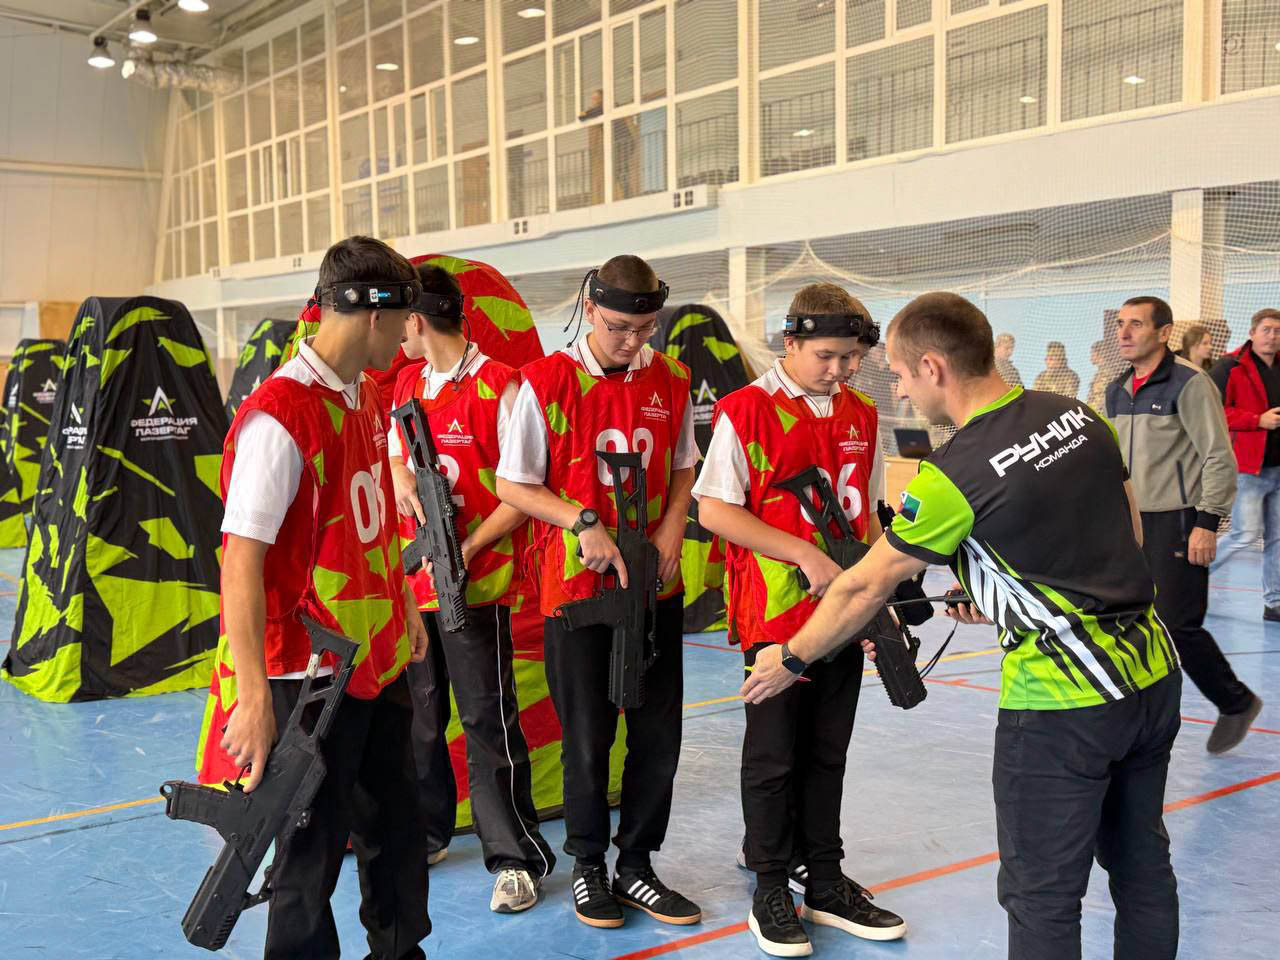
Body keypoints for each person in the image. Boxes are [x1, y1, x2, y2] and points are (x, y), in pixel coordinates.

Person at [742, 291, 1182, 960]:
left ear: (933, 367)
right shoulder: (1078, 416)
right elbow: (1127, 530)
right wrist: (1005, 593)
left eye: (899, 372)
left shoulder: (952, 475)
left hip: (1063, 700)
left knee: (1042, 895)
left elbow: (863, 584)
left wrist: (792, 657)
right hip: (1152, 675)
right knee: (1142, 866)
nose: (897, 387)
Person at [218, 236, 432, 959]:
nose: (408, 336)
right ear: (373, 316)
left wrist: (403, 605)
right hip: (308, 678)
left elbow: (369, 527)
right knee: (308, 860)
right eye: (403, 320)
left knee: (397, 832)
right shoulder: (280, 417)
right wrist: (253, 697)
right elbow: (241, 563)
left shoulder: (365, 396)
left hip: (376, 658)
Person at [694, 283, 907, 957]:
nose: (841, 369)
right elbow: (714, 509)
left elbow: (869, 515)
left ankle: (824, 879)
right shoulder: (744, 409)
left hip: (844, 611)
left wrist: (879, 603)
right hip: (774, 613)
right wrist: (802, 553)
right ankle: (768, 885)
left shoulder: (862, 412)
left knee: (827, 751)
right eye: (827, 356)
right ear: (791, 343)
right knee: (772, 755)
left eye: (852, 358)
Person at [495, 256, 702, 929]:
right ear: (589, 310)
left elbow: (683, 466)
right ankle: (587, 865)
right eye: (619, 328)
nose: (632, 341)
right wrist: (582, 520)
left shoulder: (672, 378)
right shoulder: (545, 382)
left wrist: (673, 525)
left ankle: (636, 866)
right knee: (587, 738)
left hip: (652, 586)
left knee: (658, 736)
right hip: (578, 592)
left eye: (645, 329)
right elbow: (512, 484)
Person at [389, 263, 557, 914]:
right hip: (418, 583)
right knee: (422, 713)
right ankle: (429, 832)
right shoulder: (408, 382)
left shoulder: (503, 387)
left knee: (487, 720)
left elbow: (524, 493)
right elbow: (395, 450)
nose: (395, 333)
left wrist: (466, 548)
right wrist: (402, 476)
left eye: (400, 320)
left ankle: (516, 858)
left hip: (476, 584)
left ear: (417, 320)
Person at [1107, 295, 1261, 754]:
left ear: (1164, 332)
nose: (1124, 332)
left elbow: (1218, 456)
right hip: (1128, 523)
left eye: (1136, 324)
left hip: (1178, 521)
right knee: (1129, 623)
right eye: (1121, 324)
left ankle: (1235, 702)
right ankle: (1138, 720)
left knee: (1176, 624)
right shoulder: (1117, 388)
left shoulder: (1190, 384)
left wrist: (1207, 522)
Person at [1209, 307, 1280, 620]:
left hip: (1279, 468)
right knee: (1244, 535)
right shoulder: (1230, 366)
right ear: (1252, 333)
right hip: (1249, 469)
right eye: (1266, 330)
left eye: (1277, 331)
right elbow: (1213, 411)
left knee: (1278, 538)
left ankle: (1274, 603)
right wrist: (1256, 420)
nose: (1272, 336)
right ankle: (1189, 579)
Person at [1086, 338, 1124, 413]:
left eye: (1092, 353)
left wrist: (1090, 412)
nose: (1091, 357)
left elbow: (1100, 397)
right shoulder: (1106, 370)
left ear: (1099, 354)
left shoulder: (1105, 373)